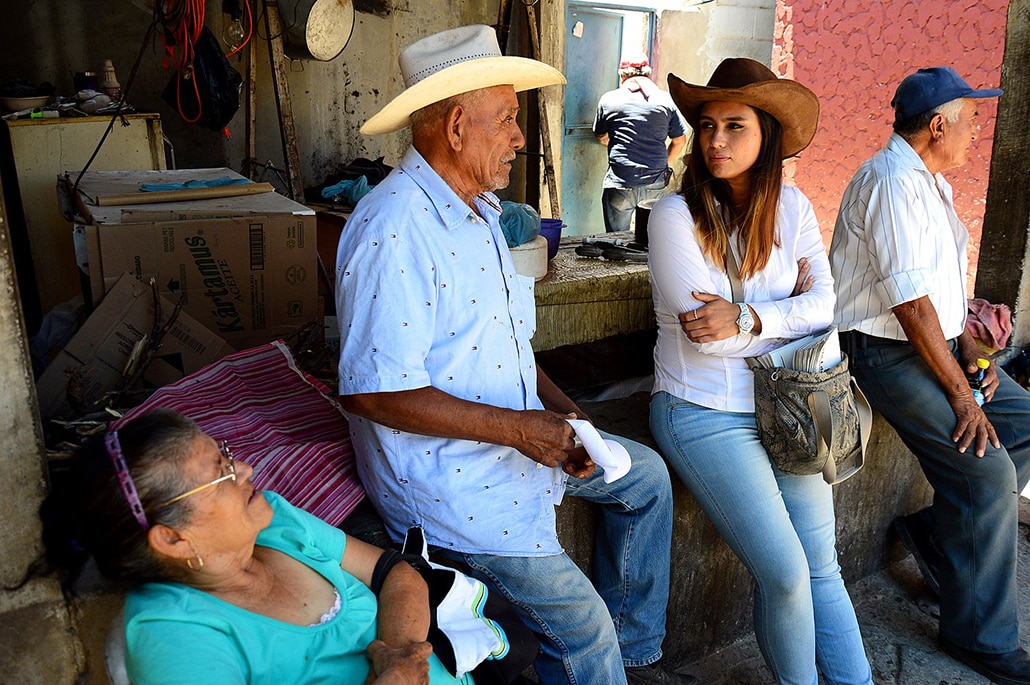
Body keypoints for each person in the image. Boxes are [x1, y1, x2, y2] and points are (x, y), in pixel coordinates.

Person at [336, 25, 687, 685]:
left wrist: (564, 412)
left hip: (526, 446)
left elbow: (507, 346)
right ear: (456, 127)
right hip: (457, 489)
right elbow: (372, 392)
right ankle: (598, 659)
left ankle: (631, 658)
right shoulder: (393, 229)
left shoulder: (483, 213)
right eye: (507, 120)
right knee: (584, 629)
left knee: (643, 481)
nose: (520, 137)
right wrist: (525, 429)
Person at [646, 58, 873, 685]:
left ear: (766, 134)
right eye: (708, 125)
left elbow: (826, 307)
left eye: (735, 126)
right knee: (786, 572)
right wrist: (783, 314)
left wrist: (746, 317)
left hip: (790, 407)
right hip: (703, 413)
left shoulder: (794, 208)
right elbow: (706, 341)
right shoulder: (673, 216)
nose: (716, 141)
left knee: (821, 565)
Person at [830, 66, 1030, 685]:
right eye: (971, 120)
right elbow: (911, 306)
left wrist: (972, 352)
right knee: (988, 468)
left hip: (932, 344)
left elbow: (939, 299)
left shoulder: (928, 181)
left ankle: (942, 536)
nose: (977, 132)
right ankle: (980, 637)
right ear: (938, 124)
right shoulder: (891, 181)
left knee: (1023, 420)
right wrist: (961, 397)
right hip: (883, 353)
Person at [32, 408, 460, 684]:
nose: (245, 468)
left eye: (225, 454)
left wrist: (399, 655)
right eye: (220, 474)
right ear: (173, 538)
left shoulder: (273, 520)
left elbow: (397, 572)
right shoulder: (177, 634)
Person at [594, 54, 687, 233]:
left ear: (622, 76)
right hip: (655, 182)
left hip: (621, 181)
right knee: (652, 240)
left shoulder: (609, 100)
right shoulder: (665, 100)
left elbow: (601, 135)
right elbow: (679, 141)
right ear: (648, 75)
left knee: (616, 240)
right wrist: (662, 163)